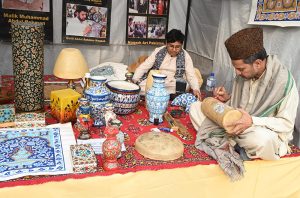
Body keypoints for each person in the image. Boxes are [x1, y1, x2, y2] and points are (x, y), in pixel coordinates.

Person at [189, 27, 299, 180]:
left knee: (260, 139)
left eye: (240, 69)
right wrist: (227, 99)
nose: (237, 73)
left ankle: (233, 145)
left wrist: (252, 121)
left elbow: (286, 124)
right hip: (237, 125)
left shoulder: (283, 82)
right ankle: (234, 145)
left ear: (258, 63)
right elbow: (241, 105)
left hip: (259, 132)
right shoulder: (244, 76)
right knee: (196, 107)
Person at [132, 29, 201, 99]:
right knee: (141, 87)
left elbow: (191, 75)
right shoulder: (158, 51)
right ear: (166, 43)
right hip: (156, 81)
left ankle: (158, 94)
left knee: (185, 86)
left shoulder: (186, 56)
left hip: (173, 83)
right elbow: (145, 66)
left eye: (177, 47)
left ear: (181, 45)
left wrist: (196, 89)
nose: (174, 49)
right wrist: (134, 79)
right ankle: (168, 96)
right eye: (171, 46)